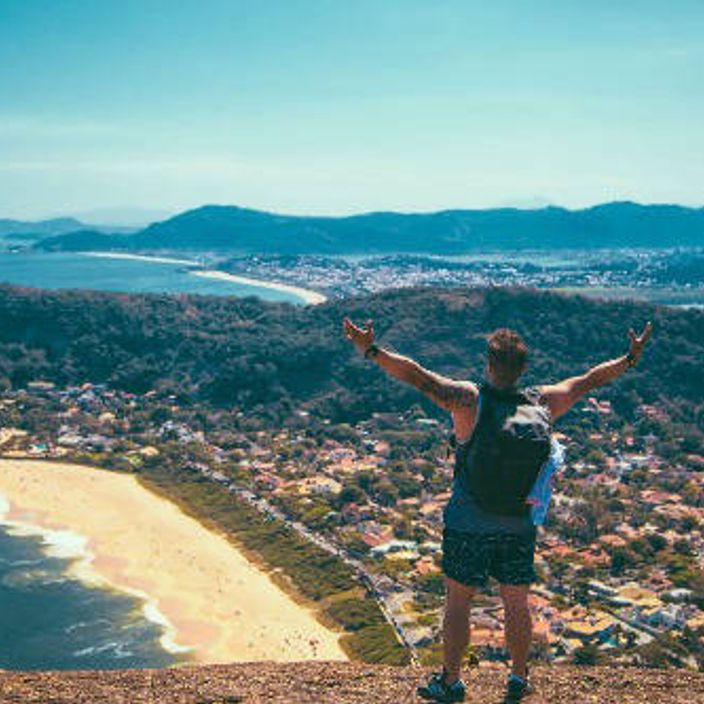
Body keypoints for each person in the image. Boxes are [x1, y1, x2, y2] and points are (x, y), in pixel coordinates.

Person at [343, 317, 653, 703]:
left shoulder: (469, 400)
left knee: (458, 602)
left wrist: (372, 350)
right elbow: (590, 380)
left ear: (488, 365)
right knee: (516, 604)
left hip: (468, 521)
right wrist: (630, 357)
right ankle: (518, 678)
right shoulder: (543, 403)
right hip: (519, 524)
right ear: (523, 370)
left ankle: (451, 682)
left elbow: (417, 375)